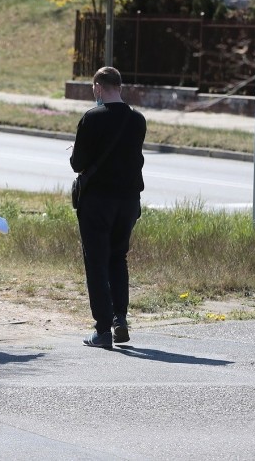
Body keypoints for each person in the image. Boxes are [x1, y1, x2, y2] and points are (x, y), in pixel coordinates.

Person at [70, 67, 147, 349]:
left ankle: (102, 330)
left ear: (99, 87)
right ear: (120, 86)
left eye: (94, 89)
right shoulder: (137, 120)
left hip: (97, 202)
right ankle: (120, 319)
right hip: (128, 201)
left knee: (96, 262)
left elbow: (78, 163)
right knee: (118, 258)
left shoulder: (92, 118)